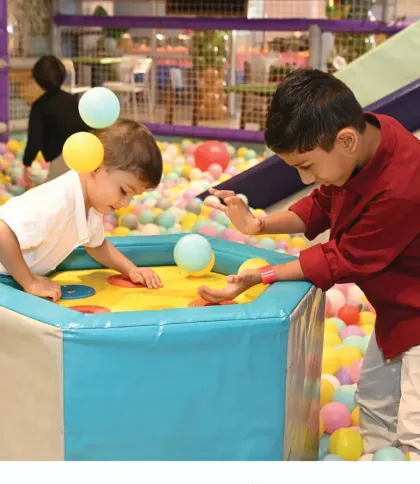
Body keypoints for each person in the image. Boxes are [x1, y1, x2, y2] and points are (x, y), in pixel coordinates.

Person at [198, 68, 420, 460]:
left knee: (415, 426)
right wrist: (258, 224)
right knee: (374, 397)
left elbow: (342, 258)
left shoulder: (403, 186)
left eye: (307, 165)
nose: (305, 178)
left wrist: (261, 275)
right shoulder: (369, 137)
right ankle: (377, 463)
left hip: (414, 307)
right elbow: (322, 205)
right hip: (398, 309)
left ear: (346, 140)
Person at [0, 118, 163, 300]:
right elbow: (2, 231)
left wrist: (131, 269)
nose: (126, 203)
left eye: (132, 197)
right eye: (124, 191)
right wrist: (29, 281)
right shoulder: (58, 201)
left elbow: (97, 245)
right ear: (96, 166)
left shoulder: (91, 206)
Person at [23, 55, 90, 186]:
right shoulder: (72, 99)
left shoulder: (39, 106)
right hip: (83, 150)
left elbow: (35, 139)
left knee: (53, 190)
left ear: (38, 81)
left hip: (62, 156)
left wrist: (27, 163)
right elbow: (83, 125)